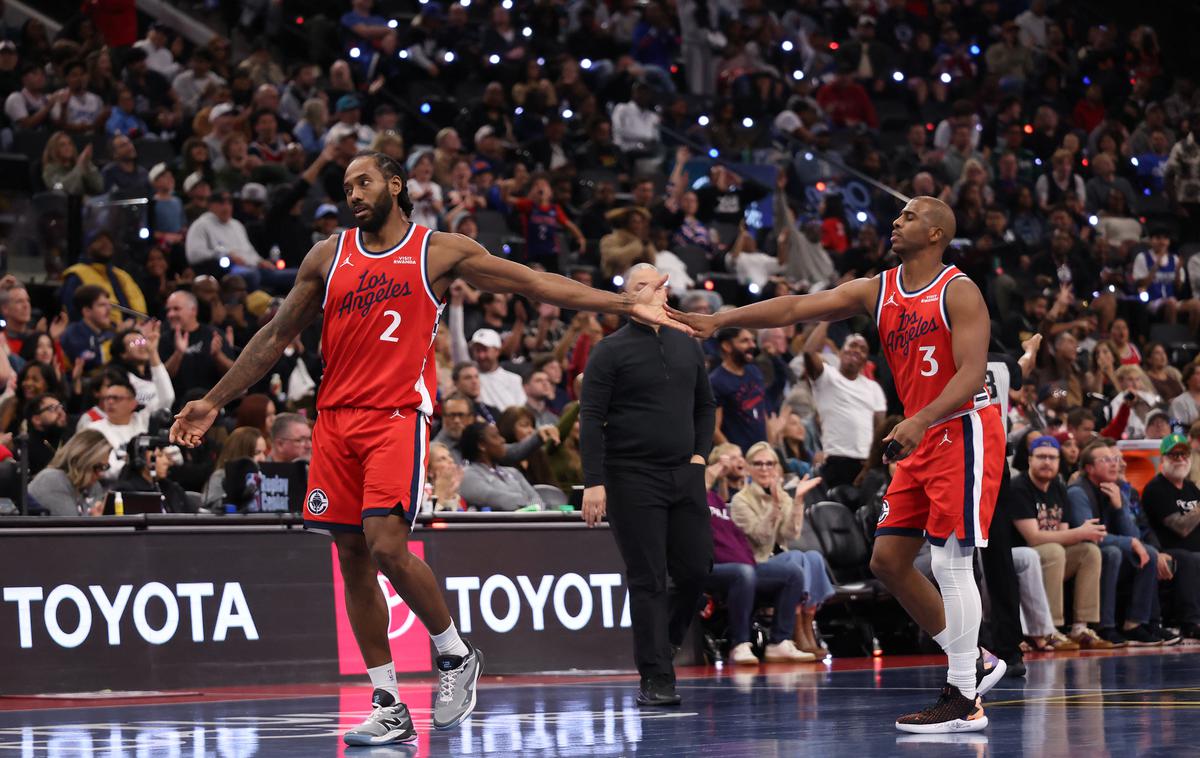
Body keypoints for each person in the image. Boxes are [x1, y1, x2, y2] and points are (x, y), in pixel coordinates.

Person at [170, 150, 686, 746]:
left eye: (364, 181)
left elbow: (535, 281)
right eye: (346, 185)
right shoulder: (327, 254)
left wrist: (623, 304)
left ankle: (455, 653)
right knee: (351, 558)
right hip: (334, 422)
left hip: (394, 416)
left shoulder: (438, 251)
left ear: (395, 184)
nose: (353, 192)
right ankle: (388, 702)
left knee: (387, 546)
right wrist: (214, 400)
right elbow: (276, 334)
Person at [671, 196, 1006, 733]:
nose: (896, 222)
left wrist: (920, 420)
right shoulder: (882, 288)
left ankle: (962, 694)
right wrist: (720, 318)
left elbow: (970, 374)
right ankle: (976, 661)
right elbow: (796, 308)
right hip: (919, 432)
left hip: (962, 428)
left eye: (910, 216)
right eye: (897, 216)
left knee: (949, 563)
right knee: (889, 562)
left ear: (938, 232)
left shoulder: (958, 290)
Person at [580, 262, 715, 707]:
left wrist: (700, 457)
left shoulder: (686, 344)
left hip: (684, 472)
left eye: (657, 284)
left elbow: (704, 405)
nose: (653, 289)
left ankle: (666, 642)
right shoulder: (609, 350)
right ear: (625, 297)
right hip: (630, 476)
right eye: (640, 284)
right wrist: (593, 483)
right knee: (648, 578)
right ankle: (656, 675)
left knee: (697, 569)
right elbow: (590, 418)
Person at [730, 443, 831, 660]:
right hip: (755, 564)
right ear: (748, 468)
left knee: (813, 557)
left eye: (770, 463)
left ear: (777, 468)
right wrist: (774, 505)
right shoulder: (741, 500)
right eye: (758, 464)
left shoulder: (783, 495)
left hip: (781, 560)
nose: (765, 468)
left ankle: (806, 623)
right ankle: (796, 629)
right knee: (795, 557)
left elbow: (790, 533)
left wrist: (798, 501)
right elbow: (761, 536)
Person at [1010, 436, 1112, 649]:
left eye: (1052, 458)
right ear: (1029, 460)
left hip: (1050, 558)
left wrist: (1081, 535)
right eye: (1041, 457)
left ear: (1059, 462)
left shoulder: (1058, 487)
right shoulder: (1019, 487)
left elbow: (1063, 533)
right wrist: (1080, 532)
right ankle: (1050, 628)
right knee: (1055, 550)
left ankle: (1080, 627)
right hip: (1020, 558)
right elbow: (1033, 537)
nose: (1047, 462)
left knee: (1089, 551)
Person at [1067, 439, 1165, 645]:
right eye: (1106, 460)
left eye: (1115, 459)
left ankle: (1135, 623)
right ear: (1089, 468)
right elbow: (1089, 534)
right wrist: (1129, 542)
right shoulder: (1077, 492)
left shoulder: (1116, 488)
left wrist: (1120, 508)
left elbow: (1134, 535)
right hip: (1082, 551)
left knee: (1150, 553)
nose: (1115, 464)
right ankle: (1105, 626)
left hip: (1108, 549)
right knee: (1114, 552)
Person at [803, 324, 886, 488]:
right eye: (852, 345)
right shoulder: (826, 376)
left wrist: (871, 464)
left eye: (863, 349)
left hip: (864, 464)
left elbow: (880, 431)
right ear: (840, 352)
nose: (857, 350)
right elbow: (808, 352)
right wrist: (828, 319)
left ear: (865, 360)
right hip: (835, 460)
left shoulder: (874, 388)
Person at [1138, 433, 1200, 640]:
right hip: (1167, 550)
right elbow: (1181, 527)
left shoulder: (1191, 488)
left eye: (1184, 454)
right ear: (1162, 459)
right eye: (1174, 455)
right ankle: (1189, 622)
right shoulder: (1156, 489)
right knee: (1190, 558)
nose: (1181, 459)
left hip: (1193, 550)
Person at [457, 421, 543, 510]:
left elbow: (536, 498)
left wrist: (535, 507)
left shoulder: (513, 472)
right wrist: (529, 503)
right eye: (496, 436)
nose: (503, 440)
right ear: (481, 445)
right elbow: (501, 501)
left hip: (529, 522)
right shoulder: (467, 475)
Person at [26, 429, 110, 516]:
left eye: (105, 467)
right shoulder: (52, 480)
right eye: (98, 467)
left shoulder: (93, 486)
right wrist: (96, 521)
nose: (101, 474)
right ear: (81, 461)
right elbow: (71, 527)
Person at [710, 327, 768, 451]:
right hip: (739, 457)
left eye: (753, 341)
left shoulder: (754, 371)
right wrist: (735, 456)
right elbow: (714, 428)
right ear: (727, 345)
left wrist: (770, 447)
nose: (752, 345)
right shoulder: (716, 381)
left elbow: (763, 410)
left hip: (762, 453)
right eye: (745, 341)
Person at [203, 426, 269, 511]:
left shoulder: (263, 476)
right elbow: (210, 509)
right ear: (242, 452)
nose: (263, 458)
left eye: (264, 453)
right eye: (257, 453)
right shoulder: (220, 476)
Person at [469, 329, 526, 410]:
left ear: (497, 351)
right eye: (477, 350)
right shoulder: (470, 379)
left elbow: (520, 410)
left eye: (485, 350)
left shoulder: (514, 380)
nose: (481, 356)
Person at [23, 393, 68, 477]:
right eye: (52, 408)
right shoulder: (26, 448)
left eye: (60, 407)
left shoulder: (69, 438)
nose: (61, 412)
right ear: (37, 419)